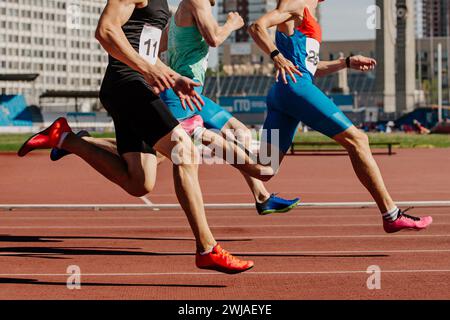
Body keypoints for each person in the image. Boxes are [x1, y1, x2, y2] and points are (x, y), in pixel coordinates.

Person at [17, 0, 254, 274]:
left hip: (138, 84)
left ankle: (66, 138)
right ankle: (207, 248)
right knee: (184, 150)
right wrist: (150, 69)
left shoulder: (162, 3)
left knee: (139, 182)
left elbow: (148, 49)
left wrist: (170, 75)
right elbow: (105, 31)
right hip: (126, 82)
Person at [248, 0, 432, 232]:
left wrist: (345, 62)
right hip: (296, 88)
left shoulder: (308, 10)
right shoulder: (296, 3)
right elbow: (256, 26)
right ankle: (391, 214)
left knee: (265, 169)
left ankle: (213, 141)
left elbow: (310, 66)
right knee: (358, 140)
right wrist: (277, 57)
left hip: (285, 91)